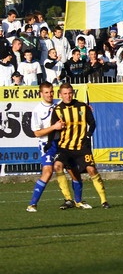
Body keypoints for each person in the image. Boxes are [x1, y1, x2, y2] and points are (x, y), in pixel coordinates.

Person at [45, 83, 110, 208]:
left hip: (81, 146)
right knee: (57, 166)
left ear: (73, 93)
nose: (68, 96)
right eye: (65, 94)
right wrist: (49, 143)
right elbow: (54, 128)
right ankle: (68, 199)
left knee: (91, 170)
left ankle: (104, 200)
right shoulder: (57, 110)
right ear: (60, 95)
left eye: (70, 93)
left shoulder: (82, 106)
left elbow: (92, 123)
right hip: (65, 147)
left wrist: (88, 135)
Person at [26, 82, 75, 211]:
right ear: (41, 94)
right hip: (47, 144)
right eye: (46, 92)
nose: (49, 95)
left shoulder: (58, 104)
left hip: (62, 142)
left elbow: (73, 104)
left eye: (51, 92)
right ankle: (32, 204)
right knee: (47, 172)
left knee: (72, 169)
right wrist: (54, 127)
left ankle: (74, 200)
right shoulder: (37, 110)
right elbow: (36, 133)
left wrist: (86, 107)